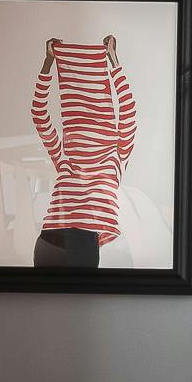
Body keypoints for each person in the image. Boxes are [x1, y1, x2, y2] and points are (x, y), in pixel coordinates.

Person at [29, 34, 135, 269]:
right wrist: (48, 62)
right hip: (54, 239)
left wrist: (114, 62)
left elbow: (128, 114)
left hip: (66, 241)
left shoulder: (114, 157)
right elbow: (39, 115)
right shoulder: (67, 156)